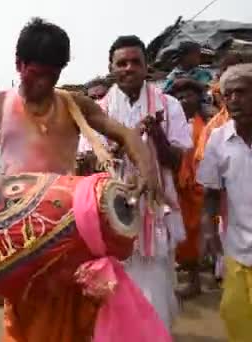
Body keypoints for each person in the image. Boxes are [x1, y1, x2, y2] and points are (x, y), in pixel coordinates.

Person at [0, 18, 155, 342]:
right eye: (36, 73)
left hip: (66, 230)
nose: (43, 83)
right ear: (19, 64)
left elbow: (125, 134)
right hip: (17, 233)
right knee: (23, 317)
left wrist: (147, 171)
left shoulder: (74, 104)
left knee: (74, 316)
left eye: (52, 75)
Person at [100, 35, 192, 329]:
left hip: (156, 211)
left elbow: (177, 162)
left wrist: (156, 135)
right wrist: (121, 142)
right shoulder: (98, 110)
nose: (129, 68)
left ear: (146, 66)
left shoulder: (169, 105)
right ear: (111, 68)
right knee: (116, 290)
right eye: (121, 63)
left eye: (135, 62)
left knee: (155, 289)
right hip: (113, 213)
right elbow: (90, 164)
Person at [197, 63, 252, 341]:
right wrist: (207, 229)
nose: (233, 100)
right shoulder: (218, 139)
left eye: (241, 92)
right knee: (235, 317)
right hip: (237, 250)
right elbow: (210, 192)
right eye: (227, 94)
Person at [168, 78, 210, 299]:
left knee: (193, 236)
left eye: (189, 95)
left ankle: (195, 283)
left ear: (198, 98)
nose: (184, 100)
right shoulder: (174, 123)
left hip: (196, 189)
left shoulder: (204, 125)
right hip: (176, 188)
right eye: (180, 96)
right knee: (179, 236)